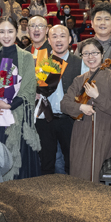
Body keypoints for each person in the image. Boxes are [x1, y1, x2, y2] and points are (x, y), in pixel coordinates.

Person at [0, 17, 39, 181]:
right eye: (2, 31)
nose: (6, 36)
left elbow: (29, 87)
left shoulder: (26, 57)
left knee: (15, 163)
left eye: (10, 31)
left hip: (16, 118)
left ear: (17, 32)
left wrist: (10, 105)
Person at [60, 39, 111, 181]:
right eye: (86, 54)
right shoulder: (79, 79)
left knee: (101, 173)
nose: (90, 57)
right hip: (81, 132)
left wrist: (97, 96)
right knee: (81, 172)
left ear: (102, 54)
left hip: (105, 130)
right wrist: (80, 107)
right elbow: (64, 104)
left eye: (94, 53)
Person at [36, 24, 83, 175]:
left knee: (72, 161)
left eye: (62, 36)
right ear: (49, 40)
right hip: (45, 119)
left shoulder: (80, 62)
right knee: (46, 162)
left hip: (69, 119)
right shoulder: (41, 62)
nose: (58, 40)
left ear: (69, 39)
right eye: (54, 36)